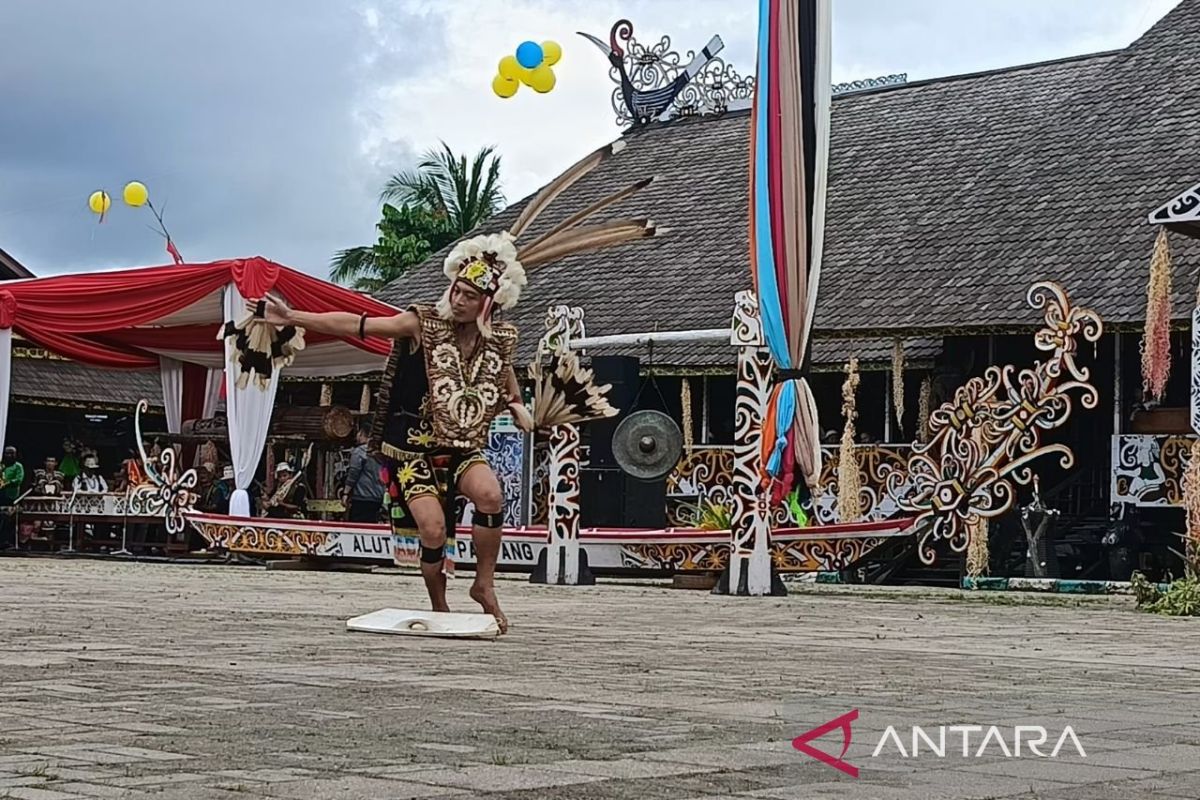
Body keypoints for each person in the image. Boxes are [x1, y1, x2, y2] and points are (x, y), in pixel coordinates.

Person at [251, 142, 660, 634]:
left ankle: (483, 584)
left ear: (488, 304)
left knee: (490, 496)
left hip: (463, 447)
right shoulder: (420, 323)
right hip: (413, 450)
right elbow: (359, 324)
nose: (459, 299)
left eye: (469, 295)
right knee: (434, 529)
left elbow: (507, 384)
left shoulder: (500, 343)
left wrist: (527, 413)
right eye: (457, 291)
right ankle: (438, 603)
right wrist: (293, 315)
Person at [341, 424, 385, 523]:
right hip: (378, 497)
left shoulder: (359, 452)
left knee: (359, 527)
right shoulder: (381, 452)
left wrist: (346, 493)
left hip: (362, 497)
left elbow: (353, 474)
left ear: (361, 434)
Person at [0, 447, 25, 549]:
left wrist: (6, 483)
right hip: (1, 495)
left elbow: (19, 479)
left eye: (12, 454)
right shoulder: (1, 466)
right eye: (7, 453)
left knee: (8, 519)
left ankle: (6, 541)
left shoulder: (18, 466)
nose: (9, 456)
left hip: (12, 496)